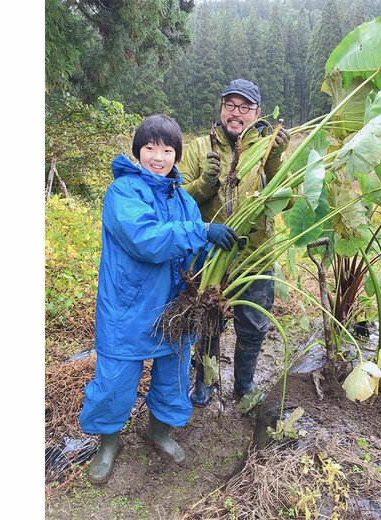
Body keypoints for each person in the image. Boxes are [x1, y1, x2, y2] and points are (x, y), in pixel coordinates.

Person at [78, 114, 240, 485]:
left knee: (173, 376)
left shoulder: (183, 199)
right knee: (116, 380)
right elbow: (146, 238)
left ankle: (159, 431)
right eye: (150, 147)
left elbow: (191, 253)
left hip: (174, 307)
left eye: (167, 150)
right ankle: (109, 442)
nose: (158, 156)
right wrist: (201, 230)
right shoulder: (122, 193)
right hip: (128, 307)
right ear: (138, 152)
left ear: (176, 156)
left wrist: (219, 252)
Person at [179, 79, 290, 406]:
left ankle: (243, 384)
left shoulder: (269, 148)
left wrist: (273, 161)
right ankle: (205, 380)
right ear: (221, 108)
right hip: (209, 257)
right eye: (230, 105)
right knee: (207, 321)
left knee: (253, 326)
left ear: (257, 113)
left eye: (245, 107)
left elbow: (287, 199)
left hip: (255, 255)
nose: (236, 113)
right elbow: (178, 199)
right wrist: (206, 182)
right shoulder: (200, 148)